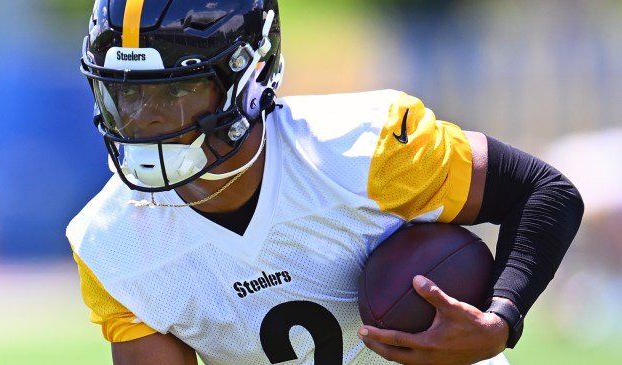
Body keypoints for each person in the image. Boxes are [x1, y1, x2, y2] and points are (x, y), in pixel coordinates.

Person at [67, 1, 584, 364]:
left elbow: (545, 192)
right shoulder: (110, 242)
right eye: (125, 94)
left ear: (249, 78)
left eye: (174, 90)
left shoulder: (366, 150)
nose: (144, 118)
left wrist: (501, 319)